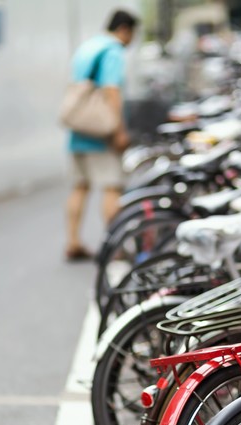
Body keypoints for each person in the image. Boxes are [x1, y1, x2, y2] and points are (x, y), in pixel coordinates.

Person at [64, 9, 138, 262]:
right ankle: (116, 247)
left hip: (78, 129)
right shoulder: (113, 50)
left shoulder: (88, 47)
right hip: (100, 132)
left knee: (80, 186)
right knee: (111, 186)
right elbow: (111, 91)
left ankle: (72, 241)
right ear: (125, 30)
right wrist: (119, 130)